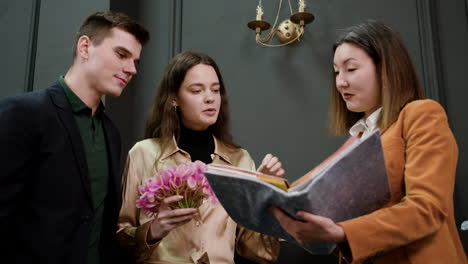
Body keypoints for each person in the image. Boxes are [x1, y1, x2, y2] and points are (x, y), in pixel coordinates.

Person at [271, 20, 468, 264]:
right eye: (336, 72)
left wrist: (344, 233)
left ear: (386, 69)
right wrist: (272, 189)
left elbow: (426, 209)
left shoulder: (420, 114)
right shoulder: (357, 139)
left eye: (351, 69)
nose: (340, 82)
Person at [0, 11, 149, 264]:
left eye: (135, 61)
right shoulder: (22, 114)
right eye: (122, 55)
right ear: (85, 47)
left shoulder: (111, 134)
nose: (132, 69)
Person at [117, 51, 284, 264]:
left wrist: (266, 196)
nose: (210, 98)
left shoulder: (240, 160)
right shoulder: (143, 154)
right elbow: (120, 239)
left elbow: (261, 253)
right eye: (197, 90)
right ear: (174, 98)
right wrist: (153, 230)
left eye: (216, 90)